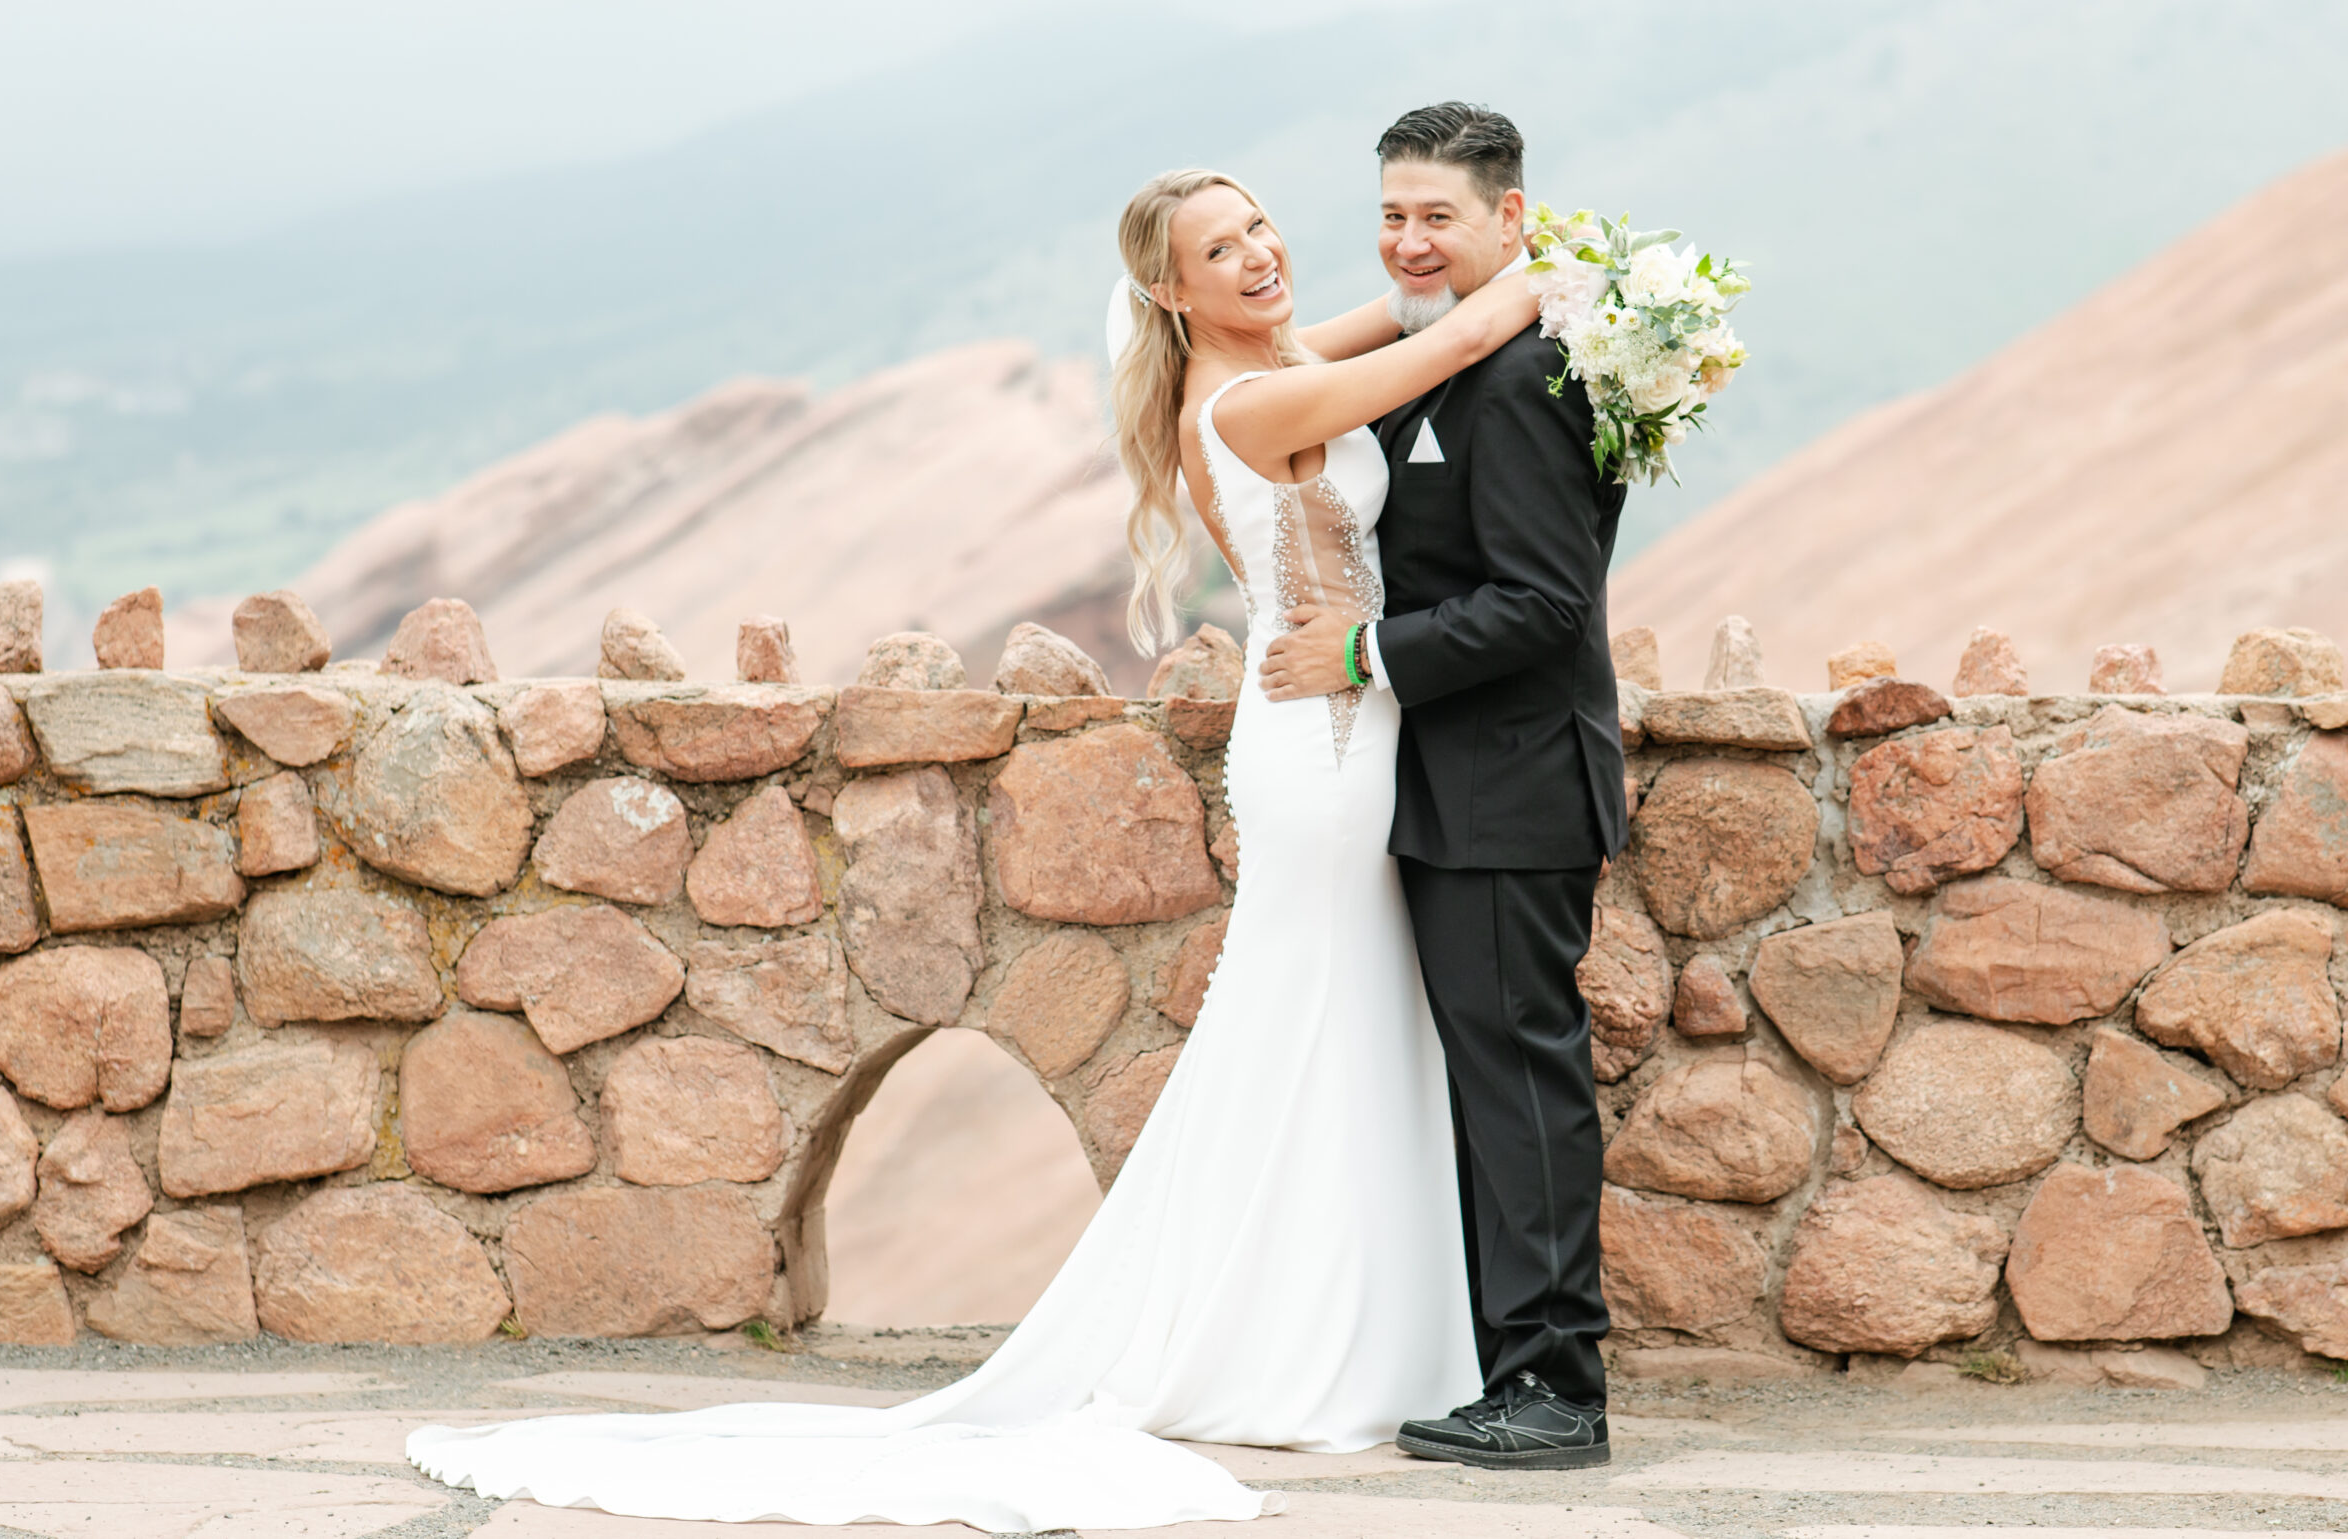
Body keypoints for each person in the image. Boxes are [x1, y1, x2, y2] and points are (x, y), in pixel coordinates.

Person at [406, 160, 1543, 1530]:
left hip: (1344, 735)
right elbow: (1467, 333)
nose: (1257, 256)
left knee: (1351, 1020)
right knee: (1320, 1017)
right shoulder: (1248, 401)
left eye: (1258, 229)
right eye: (1219, 250)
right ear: (1170, 295)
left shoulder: (1285, 356)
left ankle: (1347, 1324)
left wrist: (1434, 275)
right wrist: (1612, 281)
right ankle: (1294, 1341)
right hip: (1321, 755)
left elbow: (1405, 316)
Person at [1258, 103, 1626, 1470]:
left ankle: (1554, 1391)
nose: (1409, 240)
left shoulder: (1522, 380)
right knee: (1490, 1080)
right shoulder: (1445, 355)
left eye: (1438, 217)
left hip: (1511, 788)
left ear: (1511, 221)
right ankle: (1503, 1362)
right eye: (1392, 215)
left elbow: (1541, 602)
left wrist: (1360, 651)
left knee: (1522, 1085)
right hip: (1457, 786)